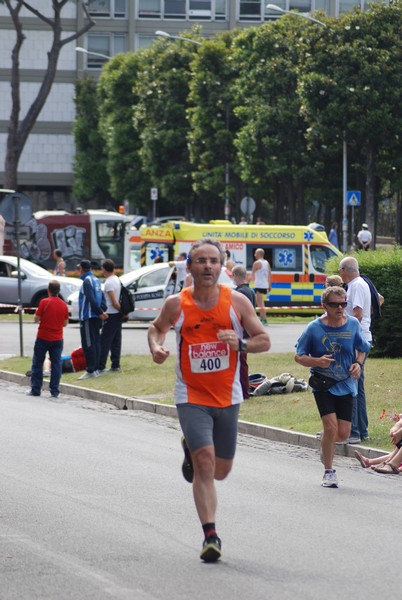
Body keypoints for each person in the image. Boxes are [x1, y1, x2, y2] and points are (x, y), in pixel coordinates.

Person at [148, 238, 271, 562]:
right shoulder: (177, 303)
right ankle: (211, 536)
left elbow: (264, 340)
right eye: (200, 260)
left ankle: (189, 449)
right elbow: (156, 328)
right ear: (189, 266)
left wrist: (240, 344)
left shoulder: (237, 303)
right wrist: (156, 347)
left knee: (221, 471)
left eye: (213, 261)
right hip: (191, 395)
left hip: (228, 396)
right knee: (205, 466)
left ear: (222, 266)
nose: (207, 266)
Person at [295, 286, 370, 488]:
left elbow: (363, 349)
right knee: (330, 426)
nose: (340, 308)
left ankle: (325, 445)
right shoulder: (314, 328)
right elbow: (299, 356)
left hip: (346, 383)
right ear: (325, 306)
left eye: (343, 304)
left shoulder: (353, 324)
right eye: (335, 304)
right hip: (323, 384)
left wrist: (358, 365)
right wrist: (317, 361)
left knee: (343, 433)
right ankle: (329, 472)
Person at [339, 256, 372, 444]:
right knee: (357, 386)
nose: (339, 274)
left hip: (357, 339)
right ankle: (362, 430)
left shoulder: (356, 285)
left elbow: (357, 314)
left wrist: (342, 329)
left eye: (340, 270)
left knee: (351, 385)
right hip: (361, 337)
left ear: (345, 270)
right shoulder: (358, 284)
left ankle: (354, 432)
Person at [27, 280, 69, 398]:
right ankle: (54, 390)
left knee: (37, 363)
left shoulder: (44, 302)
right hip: (58, 338)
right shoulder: (63, 305)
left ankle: (36, 389)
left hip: (43, 337)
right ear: (59, 291)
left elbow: (36, 319)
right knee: (56, 364)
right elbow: (65, 323)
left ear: (48, 290)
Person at [77, 259, 108, 380]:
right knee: (96, 342)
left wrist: (99, 312)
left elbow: (91, 299)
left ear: (81, 269)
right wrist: (102, 311)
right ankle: (95, 369)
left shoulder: (87, 281)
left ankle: (91, 370)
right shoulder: (96, 280)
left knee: (88, 344)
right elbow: (102, 299)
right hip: (96, 317)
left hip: (88, 317)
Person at [232, 264, 256, 399]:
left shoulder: (239, 293)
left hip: (241, 333)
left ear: (235, 276)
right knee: (242, 363)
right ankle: (243, 390)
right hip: (247, 332)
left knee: (240, 364)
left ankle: (243, 392)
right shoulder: (250, 291)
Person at [99, 259, 123, 374]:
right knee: (116, 341)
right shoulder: (116, 279)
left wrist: (120, 310)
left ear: (104, 269)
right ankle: (115, 364)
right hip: (116, 315)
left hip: (110, 314)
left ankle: (101, 365)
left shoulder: (108, 283)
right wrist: (122, 312)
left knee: (105, 341)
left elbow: (113, 301)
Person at [251, 247, 271, 325]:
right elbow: (270, 275)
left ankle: (264, 319)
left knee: (260, 303)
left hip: (259, 284)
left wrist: (246, 282)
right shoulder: (267, 263)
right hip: (264, 284)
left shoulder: (257, 263)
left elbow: (252, 275)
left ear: (259, 254)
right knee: (259, 302)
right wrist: (269, 285)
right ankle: (262, 317)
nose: (254, 255)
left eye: (255, 253)